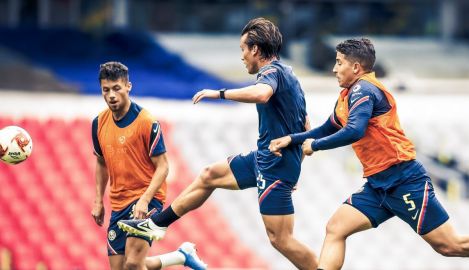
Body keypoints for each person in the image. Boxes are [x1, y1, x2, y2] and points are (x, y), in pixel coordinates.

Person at [118, 18, 318, 269]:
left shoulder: (270, 73)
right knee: (209, 175)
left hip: (275, 166)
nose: (242, 57)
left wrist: (218, 93)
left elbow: (262, 94)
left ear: (255, 49)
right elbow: (306, 124)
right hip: (266, 159)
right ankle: (156, 224)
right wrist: (295, 166)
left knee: (280, 239)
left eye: (243, 50)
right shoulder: (289, 74)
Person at [269, 38, 469, 270]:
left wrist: (316, 146)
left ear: (356, 67)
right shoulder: (348, 95)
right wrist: (293, 139)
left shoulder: (364, 89)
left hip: (403, 180)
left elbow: (354, 130)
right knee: (336, 228)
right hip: (378, 184)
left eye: (339, 63)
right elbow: (329, 127)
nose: (334, 69)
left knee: (449, 246)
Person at [91, 61, 207, 270]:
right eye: (106, 90)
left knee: (133, 265)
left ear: (128, 87)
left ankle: (181, 256)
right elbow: (101, 163)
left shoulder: (146, 122)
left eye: (116, 88)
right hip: (118, 204)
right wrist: (98, 200)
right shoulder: (98, 123)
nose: (111, 95)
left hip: (146, 199)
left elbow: (163, 166)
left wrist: (145, 200)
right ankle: (181, 256)